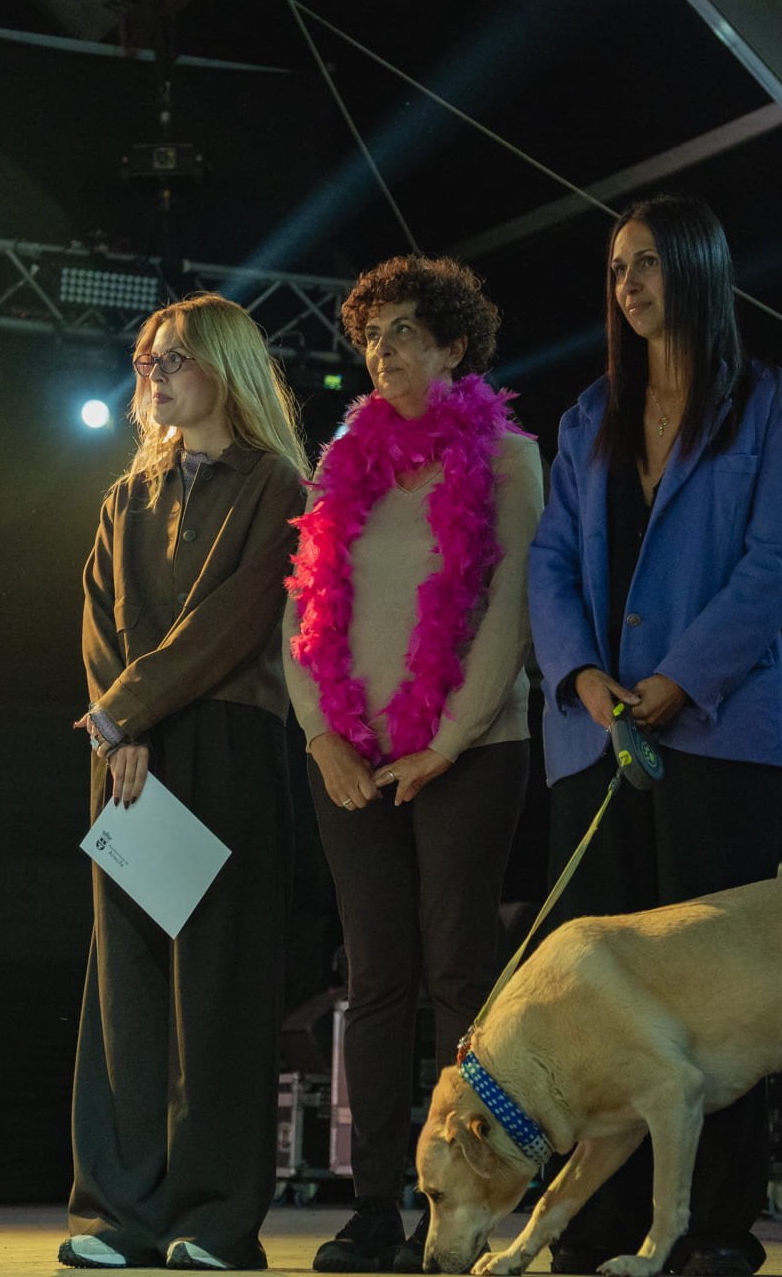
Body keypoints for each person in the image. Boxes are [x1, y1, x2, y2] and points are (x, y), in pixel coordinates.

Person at [526, 194, 782, 1277]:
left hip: (719, 733)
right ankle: (595, 1228)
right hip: (593, 736)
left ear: (695, 266)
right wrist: (589, 678)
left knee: (716, 1001)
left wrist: (674, 679)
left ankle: (713, 1228)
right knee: (598, 996)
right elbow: (549, 561)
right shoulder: (584, 418)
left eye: (646, 262)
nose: (628, 285)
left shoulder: (777, 404)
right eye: (615, 270)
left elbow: (772, 565)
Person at [284, 255, 543, 1273]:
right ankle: (376, 1206)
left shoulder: (510, 456)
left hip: (472, 750)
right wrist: (320, 733)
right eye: (371, 336)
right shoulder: (345, 451)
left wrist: (450, 741)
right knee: (376, 973)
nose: (381, 351)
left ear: (454, 346)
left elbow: (510, 612)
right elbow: (302, 608)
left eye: (401, 333)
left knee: (457, 968)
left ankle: (471, 1198)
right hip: (350, 755)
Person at [64, 294, 310, 1272]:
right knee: (123, 985)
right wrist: (119, 726)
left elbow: (237, 617)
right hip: (128, 751)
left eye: (175, 358)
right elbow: (96, 628)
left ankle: (212, 1221)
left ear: (225, 367)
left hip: (228, 743)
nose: (156, 374)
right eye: (147, 360)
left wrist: (131, 709)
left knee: (218, 989)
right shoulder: (126, 497)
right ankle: (120, 1212)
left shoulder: (278, 482)